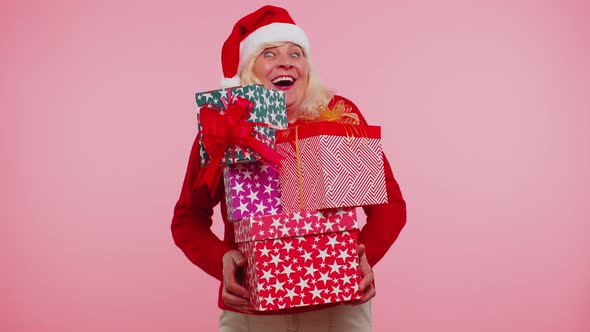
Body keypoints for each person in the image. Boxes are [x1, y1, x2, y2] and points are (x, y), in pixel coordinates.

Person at [171, 5, 406, 332]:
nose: (285, 62)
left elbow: (390, 206)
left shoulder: (338, 116)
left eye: (296, 53)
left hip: (336, 305)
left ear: (307, 67)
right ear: (248, 70)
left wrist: (362, 256)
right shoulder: (224, 127)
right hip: (252, 309)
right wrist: (221, 259)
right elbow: (187, 219)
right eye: (268, 53)